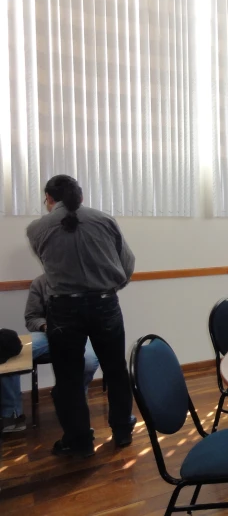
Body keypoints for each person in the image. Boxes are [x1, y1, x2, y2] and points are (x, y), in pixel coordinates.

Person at [26, 175, 136, 457]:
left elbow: (51, 265)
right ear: (81, 197)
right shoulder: (104, 219)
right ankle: (122, 431)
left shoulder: (37, 229)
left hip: (63, 309)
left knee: (68, 379)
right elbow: (127, 262)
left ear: (49, 199)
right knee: (116, 370)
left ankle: (79, 442)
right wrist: (111, 288)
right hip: (105, 304)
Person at [1, 275, 100, 433]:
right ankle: (11, 413)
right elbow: (31, 317)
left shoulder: (85, 279)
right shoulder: (40, 283)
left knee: (88, 360)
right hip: (48, 334)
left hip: (80, 334)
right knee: (8, 351)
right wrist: (46, 326)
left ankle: (75, 401)